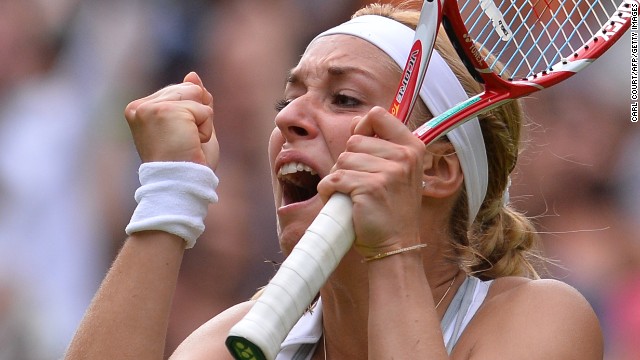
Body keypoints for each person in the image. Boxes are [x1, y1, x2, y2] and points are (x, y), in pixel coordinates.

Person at [65, 3, 603, 359]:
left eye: (344, 99)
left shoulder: (541, 321)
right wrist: (169, 193)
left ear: (436, 172)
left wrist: (392, 248)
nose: (286, 119)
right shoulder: (227, 342)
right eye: (288, 98)